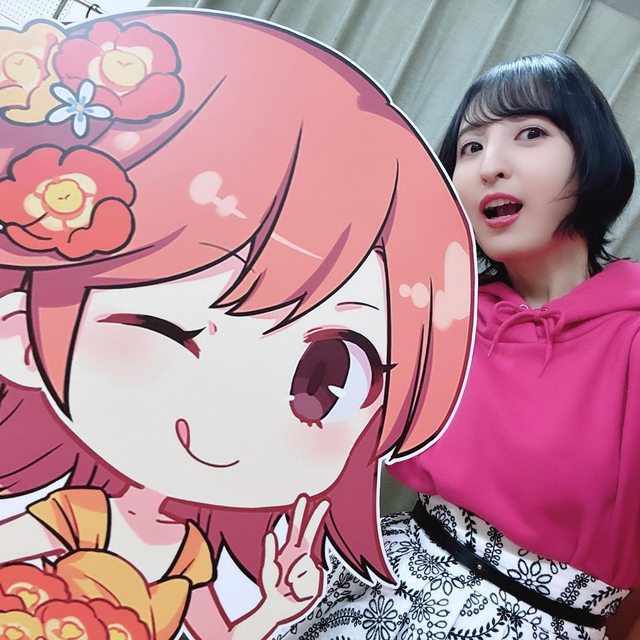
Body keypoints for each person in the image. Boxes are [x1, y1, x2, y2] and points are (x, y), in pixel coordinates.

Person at [0, 9, 475, 640]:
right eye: (168, 328)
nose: (222, 431)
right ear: (20, 338)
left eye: (325, 381)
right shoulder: (82, 515)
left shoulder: (189, 556)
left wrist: (274, 606)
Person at [278, 52, 639, 640]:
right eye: (470, 147)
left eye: (530, 133)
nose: (490, 166)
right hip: (367, 585)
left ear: (591, 153)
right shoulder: (440, 312)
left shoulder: (631, 335)